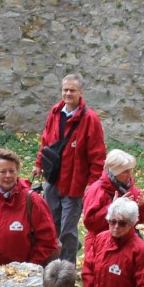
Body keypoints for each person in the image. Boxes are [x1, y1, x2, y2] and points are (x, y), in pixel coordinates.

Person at [36, 74, 107, 263]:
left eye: (72, 90)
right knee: (51, 225)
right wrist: (38, 164)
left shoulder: (90, 119)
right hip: (53, 179)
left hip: (75, 184)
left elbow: (98, 156)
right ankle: (51, 264)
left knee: (68, 229)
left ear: (81, 92)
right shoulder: (55, 111)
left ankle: (66, 269)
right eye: (65, 90)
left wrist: (92, 185)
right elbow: (46, 141)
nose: (68, 93)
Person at [0, 149, 59, 266]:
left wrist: (29, 266)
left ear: (17, 171)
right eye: (3, 172)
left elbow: (47, 240)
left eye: (12, 171)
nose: (8, 176)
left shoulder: (33, 201)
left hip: (20, 275)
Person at [81, 149, 144, 236]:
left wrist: (142, 206)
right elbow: (90, 224)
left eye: (130, 170)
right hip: (101, 242)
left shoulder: (131, 188)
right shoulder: (96, 190)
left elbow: (143, 219)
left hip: (126, 241)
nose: (130, 175)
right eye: (125, 171)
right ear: (115, 172)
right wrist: (112, 208)